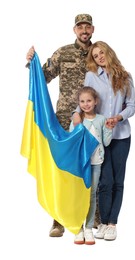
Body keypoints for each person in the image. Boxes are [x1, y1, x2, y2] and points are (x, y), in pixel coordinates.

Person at [25, 14, 97, 237]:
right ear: (74, 30)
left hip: (93, 117)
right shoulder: (63, 53)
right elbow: (43, 75)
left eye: (87, 27)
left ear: (92, 29)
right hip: (65, 117)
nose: (84, 30)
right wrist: (31, 62)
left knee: (94, 164)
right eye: (80, 27)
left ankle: (93, 217)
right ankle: (58, 220)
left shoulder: (99, 53)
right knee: (62, 167)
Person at [73, 41, 135, 241]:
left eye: (102, 53)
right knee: (104, 181)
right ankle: (101, 223)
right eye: (95, 55)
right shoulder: (91, 76)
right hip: (99, 138)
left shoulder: (125, 77)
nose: (99, 57)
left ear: (109, 53)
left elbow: (132, 106)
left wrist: (118, 117)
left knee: (118, 181)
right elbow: (86, 99)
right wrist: (76, 114)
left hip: (121, 136)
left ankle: (112, 223)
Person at [70, 87, 112, 245]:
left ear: (96, 102)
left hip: (96, 163)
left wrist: (108, 129)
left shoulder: (101, 119)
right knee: (78, 194)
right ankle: (78, 228)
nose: (86, 104)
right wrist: (76, 126)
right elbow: (72, 140)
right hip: (80, 164)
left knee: (92, 194)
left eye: (89, 101)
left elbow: (106, 143)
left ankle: (88, 227)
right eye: (82, 101)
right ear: (78, 103)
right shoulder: (77, 119)